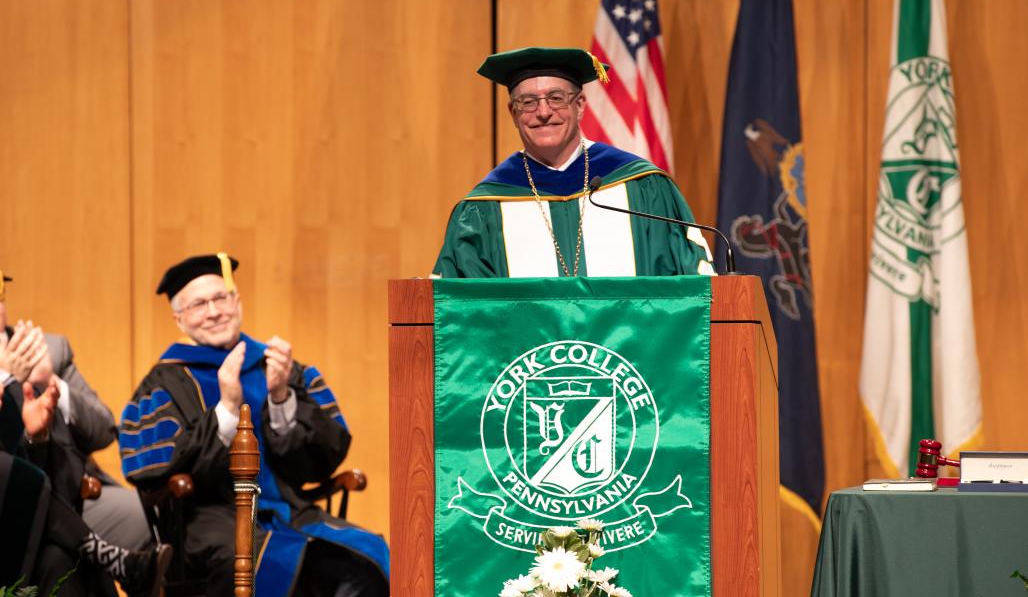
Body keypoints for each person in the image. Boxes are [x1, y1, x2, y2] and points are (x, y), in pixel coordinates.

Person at [120, 253, 389, 597]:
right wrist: (227, 411)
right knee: (261, 564)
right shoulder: (163, 385)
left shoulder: (278, 368)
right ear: (179, 320)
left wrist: (280, 397)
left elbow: (323, 457)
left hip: (289, 512)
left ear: (237, 301)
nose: (214, 311)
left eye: (221, 298)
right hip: (210, 521)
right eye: (199, 304)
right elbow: (155, 468)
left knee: (363, 564)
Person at [433, 47, 714, 277]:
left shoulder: (644, 188)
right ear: (513, 112)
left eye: (556, 98)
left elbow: (693, 286)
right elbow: (457, 313)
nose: (543, 112)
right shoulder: (484, 208)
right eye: (528, 102)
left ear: (579, 105)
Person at [0, 270, 151, 551]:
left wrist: (50, 381)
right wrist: (6, 377)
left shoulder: (49, 349)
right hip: (11, 499)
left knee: (151, 517)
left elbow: (105, 431)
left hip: (79, 492)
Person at [0, 351, 170, 597]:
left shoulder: (39, 358)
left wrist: (35, 438)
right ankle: (105, 555)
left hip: (19, 524)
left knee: (62, 559)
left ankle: (99, 555)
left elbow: (102, 429)